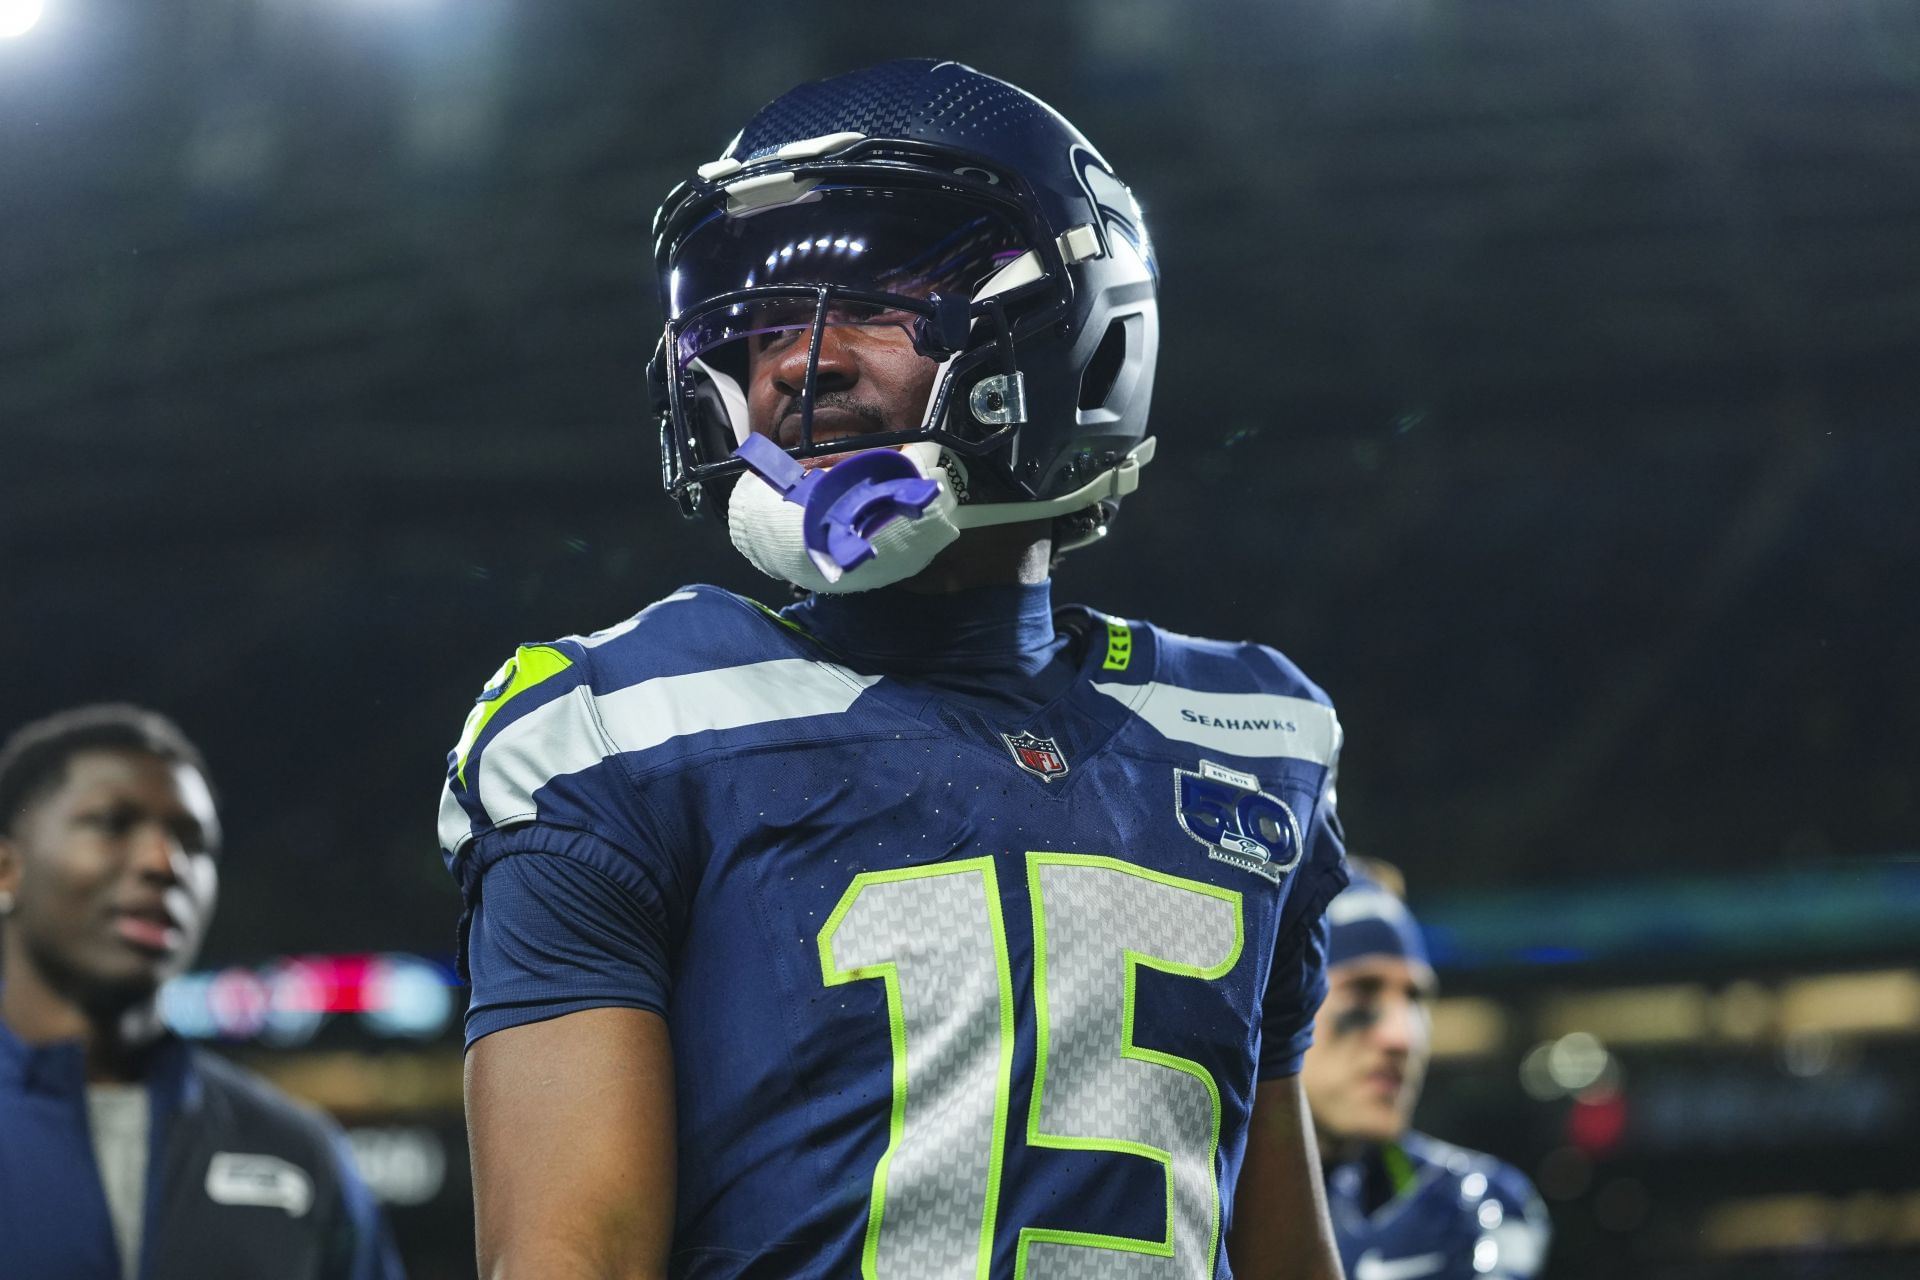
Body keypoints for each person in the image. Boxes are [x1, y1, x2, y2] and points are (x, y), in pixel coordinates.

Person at [442, 59, 1351, 1279]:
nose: (791, 367)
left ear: (1071, 325)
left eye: (872, 303)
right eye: (756, 326)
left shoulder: (1254, 733)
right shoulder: (614, 732)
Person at [0, 704, 404, 1280]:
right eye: (114, 823)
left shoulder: (298, 1153)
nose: (165, 864)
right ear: (7, 869)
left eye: (194, 843)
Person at [1300, 860, 1551, 1280]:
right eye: (1362, 990)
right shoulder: (1184, 1192)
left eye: (1415, 999)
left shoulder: (1468, 1207)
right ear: (1278, 1005)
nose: (1403, 1037)